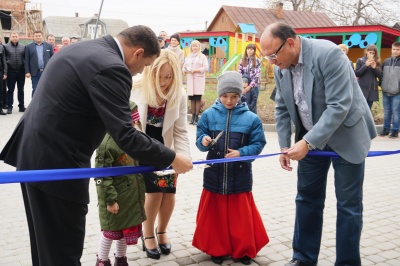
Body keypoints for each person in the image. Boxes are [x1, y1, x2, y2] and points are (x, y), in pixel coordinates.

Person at [0, 25, 193, 266]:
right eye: (145, 66)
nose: (139, 72)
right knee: (63, 252)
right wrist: (173, 158)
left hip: (34, 157)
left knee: (46, 247)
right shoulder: (113, 67)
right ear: (138, 53)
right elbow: (126, 135)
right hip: (58, 166)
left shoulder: (84, 48)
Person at [260, 22, 377, 266]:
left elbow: (339, 106)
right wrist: (284, 145)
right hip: (309, 139)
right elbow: (281, 108)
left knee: (348, 207)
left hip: (346, 136)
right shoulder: (282, 67)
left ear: (290, 43)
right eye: (267, 56)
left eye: (273, 54)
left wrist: (308, 142)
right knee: (306, 199)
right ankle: (302, 258)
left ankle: (347, 262)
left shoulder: (329, 54)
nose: (271, 61)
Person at [193, 71, 268, 265]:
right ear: (219, 94)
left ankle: (243, 250)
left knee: (241, 217)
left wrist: (242, 153)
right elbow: (199, 139)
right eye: (225, 96)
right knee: (215, 215)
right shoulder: (208, 115)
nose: (229, 100)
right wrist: (204, 140)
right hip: (214, 175)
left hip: (239, 175)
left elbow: (259, 144)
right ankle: (216, 249)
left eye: (234, 96)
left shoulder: (252, 119)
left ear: (240, 95)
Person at [131, 49, 191, 260]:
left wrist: (183, 157)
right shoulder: (135, 88)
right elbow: (130, 127)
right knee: (154, 192)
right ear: (150, 73)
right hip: (143, 146)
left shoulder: (179, 94)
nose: (164, 82)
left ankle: (162, 230)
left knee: (169, 192)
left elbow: (181, 130)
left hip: (167, 150)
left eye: (169, 77)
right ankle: (147, 234)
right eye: (159, 76)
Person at [94, 101, 144, 266]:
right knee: (110, 233)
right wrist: (110, 200)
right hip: (116, 198)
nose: (134, 124)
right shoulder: (106, 144)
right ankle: (102, 259)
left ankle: (121, 259)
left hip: (130, 196)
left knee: (124, 229)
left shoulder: (130, 139)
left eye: (135, 121)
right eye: (131, 120)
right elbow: (102, 177)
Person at [183, 40, 208, 125]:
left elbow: (205, 68)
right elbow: (184, 67)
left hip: (198, 80)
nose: (195, 48)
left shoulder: (203, 56)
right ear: (191, 47)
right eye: (193, 46)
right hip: (190, 79)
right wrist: (185, 70)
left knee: (197, 99)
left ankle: (197, 117)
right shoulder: (188, 56)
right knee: (192, 99)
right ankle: (192, 116)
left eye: (196, 46)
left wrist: (196, 71)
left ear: (199, 47)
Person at [379, 41, 400, 138]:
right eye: (394, 49)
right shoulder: (386, 61)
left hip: (397, 92)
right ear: (391, 49)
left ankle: (395, 130)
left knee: (396, 112)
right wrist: (381, 84)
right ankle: (385, 129)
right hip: (385, 91)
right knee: (387, 111)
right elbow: (381, 74)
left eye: (398, 50)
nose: (395, 51)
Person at [24, 30, 54, 96]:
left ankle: (45, 105)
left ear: (42, 36)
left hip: (46, 71)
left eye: (39, 36)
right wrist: (27, 72)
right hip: (35, 72)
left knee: (46, 89)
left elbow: (52, 59)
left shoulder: (49, 46)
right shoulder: (29, 47)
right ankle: (34, 106)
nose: (38, 37)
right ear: (34, 37)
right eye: (36, 36)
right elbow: (27, 60)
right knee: (35, 89)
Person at [355, 44, 383, 109]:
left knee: (368, 109)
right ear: (366, 52)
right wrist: (365, 65)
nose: (371, 55)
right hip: (362, 88)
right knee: (360, 109)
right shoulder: (360, 60)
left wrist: (374, 68)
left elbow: (380, 75)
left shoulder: (377, 62)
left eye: (373, 53)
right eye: (370, 52)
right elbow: (357, 74)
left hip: (372, 90)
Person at [5, 31, 26, 114]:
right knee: (10, 90)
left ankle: (21, 106)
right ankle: (9, 106)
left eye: (16, 36)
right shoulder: (5, 47)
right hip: (11, 71)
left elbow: (25, 58)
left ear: (18, 37)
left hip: (21, 71)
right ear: (10, 37)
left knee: (21, 90)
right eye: (13, 36)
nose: (14, 37)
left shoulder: (23, 47)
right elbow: (4, 59)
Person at [238, 43, 261, 114]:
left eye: (251, 49)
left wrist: (250, 86)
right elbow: (239, 73)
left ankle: (253, 120)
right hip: (244, 85)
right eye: (248, 49)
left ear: (254, 51)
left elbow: (257, 75)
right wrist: (242, 85)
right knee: (243, 103)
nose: (249, 51)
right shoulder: (242, 60)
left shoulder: (257, 61)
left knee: (252, 105)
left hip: (254, 86)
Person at [0, 38, 7, 115]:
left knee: (1, 90)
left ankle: (0, 108)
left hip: (0, 71)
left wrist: (5, 73)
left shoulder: (1, 48)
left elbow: (4, 61)